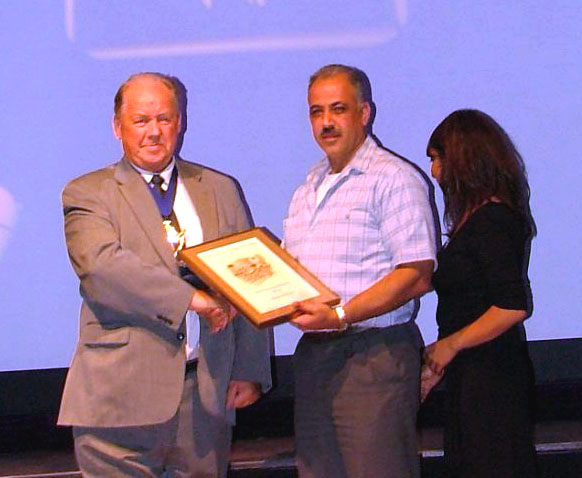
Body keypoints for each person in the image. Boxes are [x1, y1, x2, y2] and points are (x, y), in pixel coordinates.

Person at [57, 72, 271, 478]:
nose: (154, 131)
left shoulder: (220, 188)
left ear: (180, 122)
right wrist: (192, 299)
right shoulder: (88, 193)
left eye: (164, 119)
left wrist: (249, 368)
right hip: (118, 399)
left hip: (204, 397)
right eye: (141, 120)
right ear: (117, 126)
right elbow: (103, 269)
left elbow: (249, 274)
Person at [283, 64, 437, 478]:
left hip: (373, 355)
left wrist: (339, 315)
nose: (326, 122)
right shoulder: (307, 188)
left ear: (364, 113)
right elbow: (287, 273)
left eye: (338, 109)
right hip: (315, 358)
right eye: (316, 111)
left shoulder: (394, 179)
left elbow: (417, 272)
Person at [423, 109, 538, 477]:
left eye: (438, 159)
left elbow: (511, 306)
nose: (434, 172)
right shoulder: (477, 219)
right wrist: (440, 360)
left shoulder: (492, 220)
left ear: (462, 159)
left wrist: (451, 345)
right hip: (474, 375)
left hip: (491, 378)